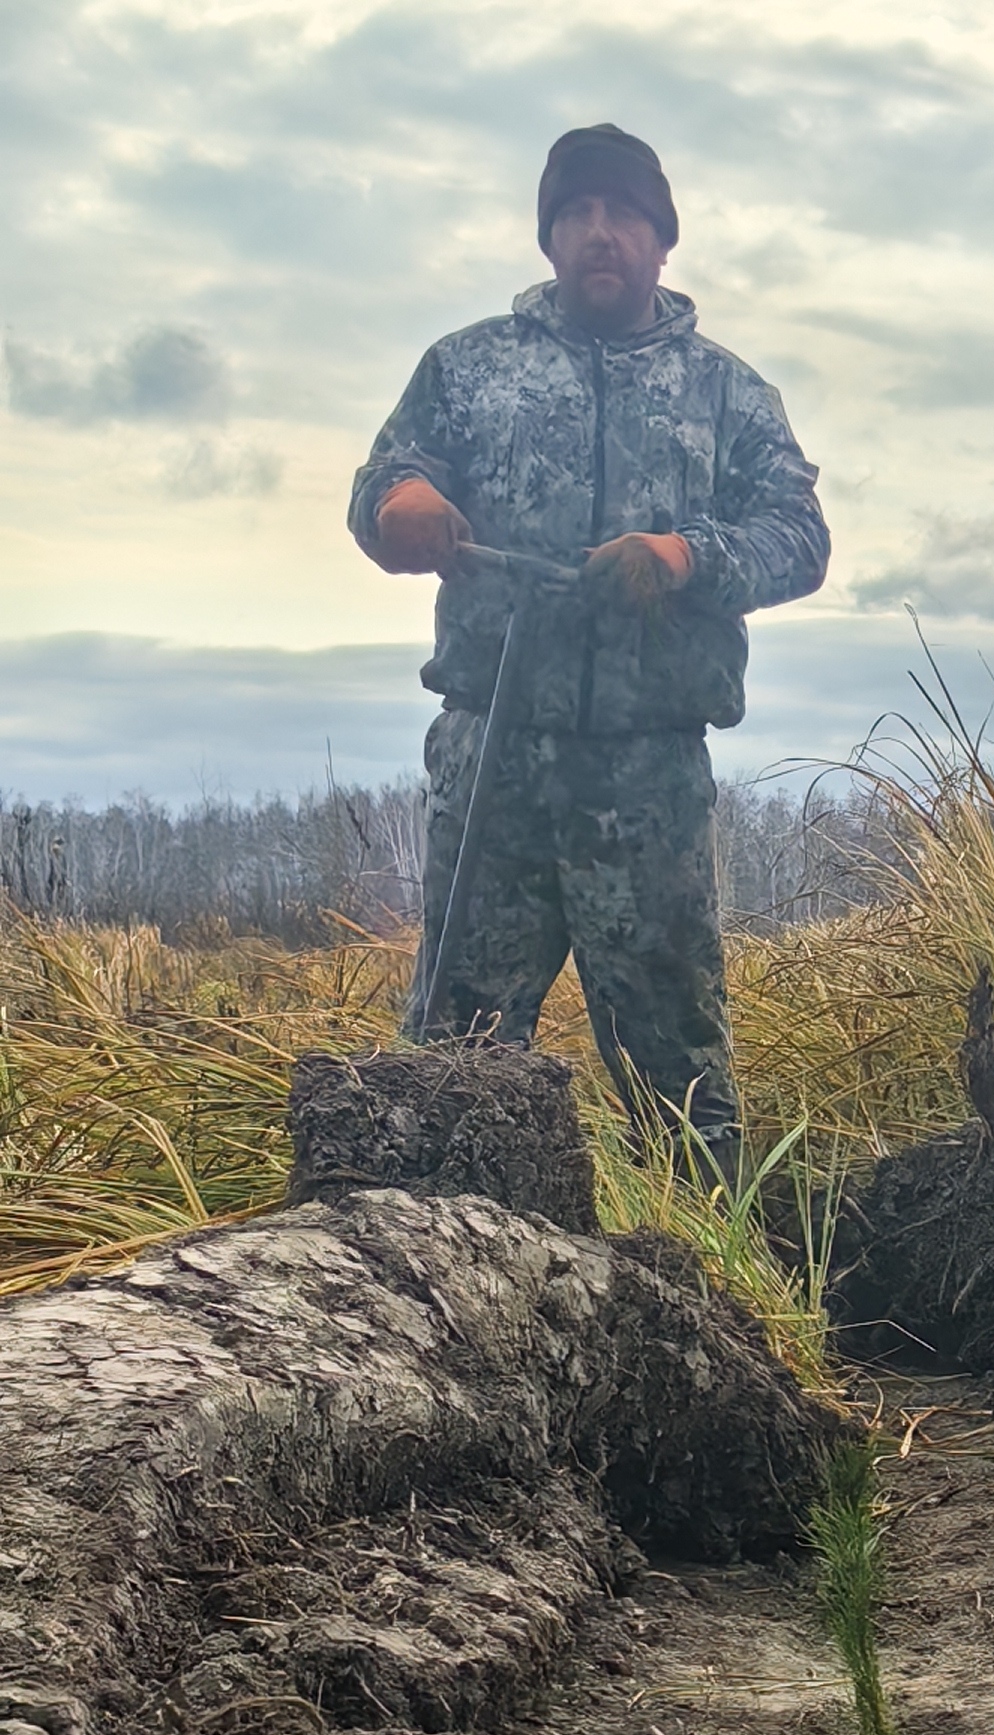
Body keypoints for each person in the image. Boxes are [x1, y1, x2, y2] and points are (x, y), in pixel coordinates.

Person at [348, 123, 829, 1170]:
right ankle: (428, 1275)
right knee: (452, 1063)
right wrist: (406, 504)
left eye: (621, 215)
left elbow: (799, 538)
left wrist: (684, 554)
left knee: (679, 1078)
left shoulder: (728, 395)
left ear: (661, 241)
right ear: (548, 237)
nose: (597, 234)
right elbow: (383, 485)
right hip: (492, 766)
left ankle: (713, 1282)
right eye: (576, 214)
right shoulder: (467, 370)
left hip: (646, 776)